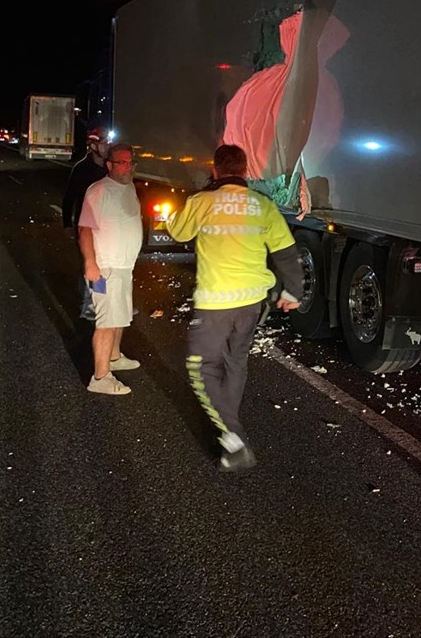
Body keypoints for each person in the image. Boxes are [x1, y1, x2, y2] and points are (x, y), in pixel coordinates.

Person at [165, 144, 303, 470]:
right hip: (252, 303)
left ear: (215, 171)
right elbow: (285, 252)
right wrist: (293, 293)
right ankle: (230, 428)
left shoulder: (202, 202)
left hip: (216, 304)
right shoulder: (263, 205)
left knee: (202, 369)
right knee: (235, 362)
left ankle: (232, 434)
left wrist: (178, 210)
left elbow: (177, 230)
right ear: (244, 171)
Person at [78, 142, 143, 395]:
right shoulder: (99, 191)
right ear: (110, 165)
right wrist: (91, 264)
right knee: (106, 322)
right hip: (105, 268)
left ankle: (114, 357)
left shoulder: (129, 188)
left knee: (121, 316)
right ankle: (101, 377)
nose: (128, 167)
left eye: (131, 162)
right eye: (122, 162)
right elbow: (85, 229)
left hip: (124, 267)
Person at [63, 128, 108, 320]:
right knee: (88, 262)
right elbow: (69, 199)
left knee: (104, 262)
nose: (107, 147)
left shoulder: (109, 168)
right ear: (92, 146)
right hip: (86, 225)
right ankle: (88, 304)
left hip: (105, 225)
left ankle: (101, 300)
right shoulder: (81, 169)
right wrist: (67, 224)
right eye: (103, 143)